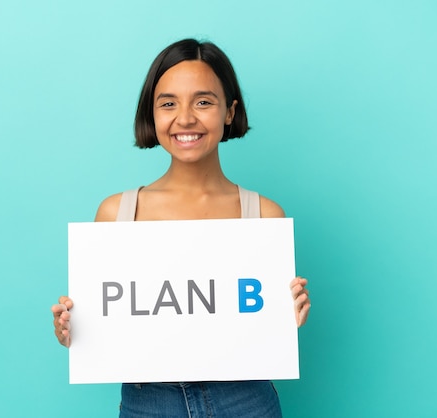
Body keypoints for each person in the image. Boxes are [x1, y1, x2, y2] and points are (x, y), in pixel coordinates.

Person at [51, 38, 311, 418]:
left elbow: (261, 326)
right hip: (148, 403)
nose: (185, 118)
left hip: (246, 401)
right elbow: (106, 327)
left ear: (229, 111)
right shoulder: (117, 213)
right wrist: (74, 330)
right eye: (168, 103)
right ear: (151, 114)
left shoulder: (263, 215)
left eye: (203, 102)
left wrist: (286, 318)